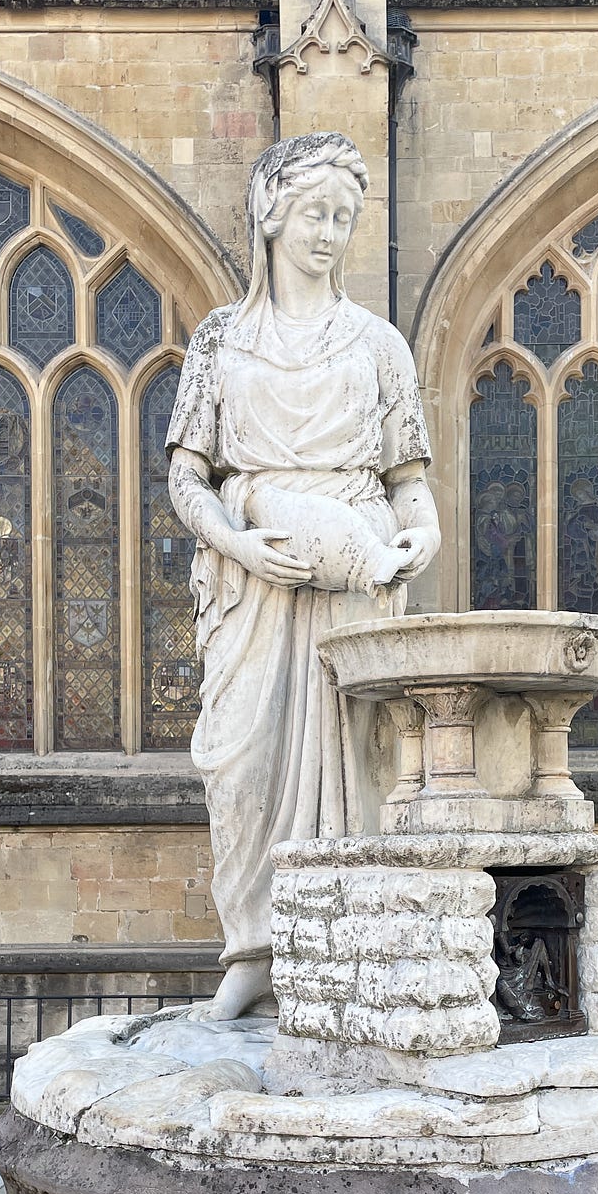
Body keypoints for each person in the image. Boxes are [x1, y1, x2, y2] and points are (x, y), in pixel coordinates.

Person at [167, 132, 441, 1020]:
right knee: (238, 759)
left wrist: (420, 539)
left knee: (360, 764)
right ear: (270, 215)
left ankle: (349, 945)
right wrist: (240, 546)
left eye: (343, 218)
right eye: (315, 213)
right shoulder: (220, 341)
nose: (329, 233)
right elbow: (186, 477)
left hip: (355, 578)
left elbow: (410, 484)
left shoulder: (378, 346)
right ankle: (253, 946)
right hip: (253, 582)